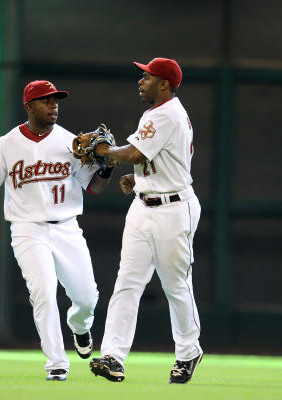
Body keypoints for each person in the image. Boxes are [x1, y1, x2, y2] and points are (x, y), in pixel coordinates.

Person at [0, 80, 113, 381]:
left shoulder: (70, 143)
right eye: (46, 101)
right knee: (43, 292)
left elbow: (94, 187)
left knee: (87, 298)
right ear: (29, 106)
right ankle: (57, 363)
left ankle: (79, 326)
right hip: (27, 229)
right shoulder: (6, 144)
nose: (53, 105)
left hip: (67, 227)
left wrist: (106, 167)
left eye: (56, 100)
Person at [89, 58, 203, 384]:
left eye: (147, 76)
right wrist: (138, 181)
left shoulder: (168, 114)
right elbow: (150, 159)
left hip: (173, 209)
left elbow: (137, 154)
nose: (141, 81)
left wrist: (104, 149)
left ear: (164, 84)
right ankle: (113, 355)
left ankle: (188, 351)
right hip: (144, 205)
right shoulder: (156, 112)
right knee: (127, 281)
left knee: (175, 285)